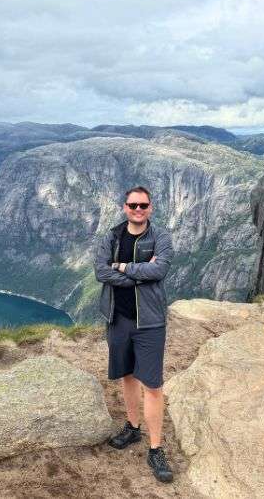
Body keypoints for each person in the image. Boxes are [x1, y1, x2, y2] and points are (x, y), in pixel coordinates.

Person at [93, 185, 174, 483]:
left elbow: (160, 271)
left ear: (150, 208)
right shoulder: (112, 236)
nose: (138, 210)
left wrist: (123, 266)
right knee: (128, 376)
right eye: (133, 205)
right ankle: (132, 426)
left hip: (149, 321)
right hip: (119, 319)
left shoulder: (161, 237)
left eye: (143, 206)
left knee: (152, 384)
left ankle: (156, 449)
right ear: (124, 207)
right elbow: (101, 272)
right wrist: (136, 276)